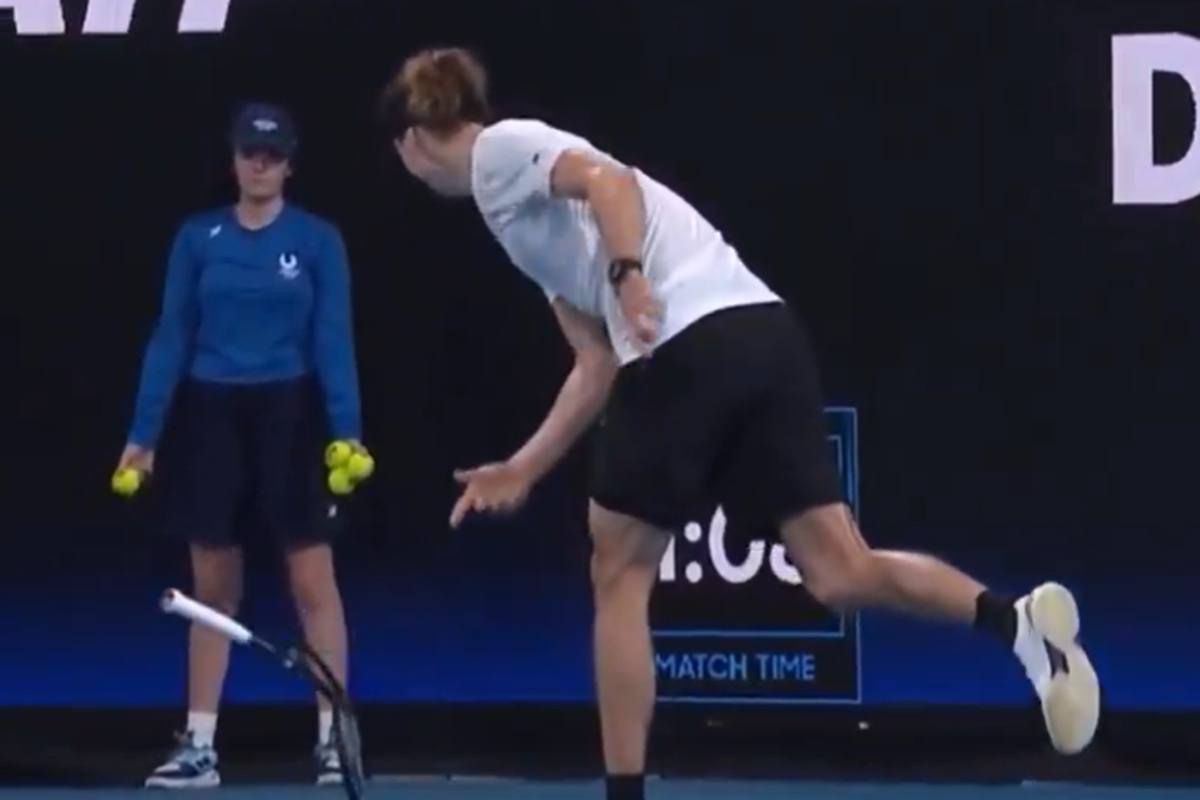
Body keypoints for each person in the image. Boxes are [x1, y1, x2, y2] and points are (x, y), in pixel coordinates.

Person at [379, 47, 1101, 800]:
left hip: (684, 340)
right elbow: (594, 361)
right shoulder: (513, 219)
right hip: (763, 337)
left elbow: (610, 182)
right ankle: (1017, 626)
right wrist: (523, 466)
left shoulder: (497, 153)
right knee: (840, 572)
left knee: (618, 574)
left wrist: (629, 276)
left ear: (412, 142)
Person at [117, 103, 363, 789]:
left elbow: (333, 339)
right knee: (212, 589)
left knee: (312, 582)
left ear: (289, 164)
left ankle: (334, 739)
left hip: (289, 413)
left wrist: (347, 430)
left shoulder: (316, 240)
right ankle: (199, 746)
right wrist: (142, 436)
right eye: (250, 152)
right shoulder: (199, 238)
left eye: (272, 155)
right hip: (211, 415)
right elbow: (171, 336)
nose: (259, 164)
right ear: (232, 159)